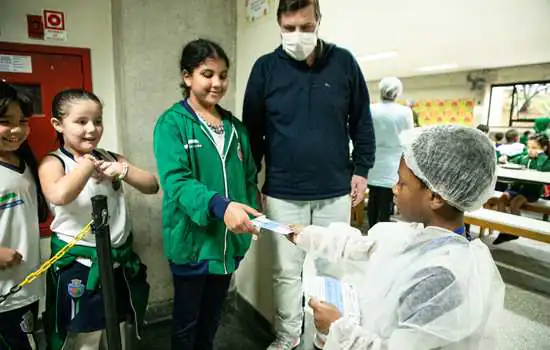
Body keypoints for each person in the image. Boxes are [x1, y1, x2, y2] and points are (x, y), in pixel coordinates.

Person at [288, 125, 505, 349]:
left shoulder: (442, 277)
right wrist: (308, 235)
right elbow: (363, 248)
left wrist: (338, 329)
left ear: (436, 198)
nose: (394, 188)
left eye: (402, 183)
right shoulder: (417, 235)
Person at [242, 0, 375, 347]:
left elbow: (362, 120)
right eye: (289, 28)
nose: (297, 35)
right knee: (286, 273)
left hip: (334, 191)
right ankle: (287, 337)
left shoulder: (343, 62)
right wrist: (251, 182)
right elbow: (252, 132)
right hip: (283, 194)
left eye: (305, 26)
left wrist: (361, 169)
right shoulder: (265, 69)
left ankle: (329, 336)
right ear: (278, 25)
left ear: (318, 21)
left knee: (334, 269)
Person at [153, 39, 260, 350]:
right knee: (187, 321)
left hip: (228, 243)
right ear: (188, 77)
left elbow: (249, 177)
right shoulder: (172, 124)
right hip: (194, 243)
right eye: (207, 74)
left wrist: (252, 208)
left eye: (223, 75)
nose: (217, 83)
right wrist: (220, 206)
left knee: (214, 315)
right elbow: (177, 181)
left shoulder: (235, 128)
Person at [39, 89, 159, 350]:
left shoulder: (112, 158)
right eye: (81, 122)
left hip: (118, 262)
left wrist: (122, 170)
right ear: (58, 124)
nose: (92, 129)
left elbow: (151, 186)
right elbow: (59, 194)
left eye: (97, 121)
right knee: (86, 335)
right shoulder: (53, 162)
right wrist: (86, 166)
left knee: (120, 326)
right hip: (81, 265)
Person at [0, 82, 49, 350]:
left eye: (23, 121)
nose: (17, 130)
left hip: (26, 285)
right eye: (5, 121)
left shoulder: (26, 163)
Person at [367, 77, 413, 227]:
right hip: (394, 163)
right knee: (387, 202)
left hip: (373, 161)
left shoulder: (371, 109)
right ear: (397, 92)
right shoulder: (405, 112)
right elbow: (409, 138)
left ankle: (371, 231)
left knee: (373, 199)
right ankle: (383, 234)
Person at [493, 133, 550, 244]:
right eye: (528, 147)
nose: (530, 150)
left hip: (531, 190)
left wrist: (539, 157)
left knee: (515, 203)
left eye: (534, 148)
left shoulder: (546, 160)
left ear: (544, 148)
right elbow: (513, 161)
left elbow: (542, 169)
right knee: (502, 200)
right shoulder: (524, 156)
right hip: (516, 187)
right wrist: (505, 158)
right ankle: (504, 230)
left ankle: (515, 232)